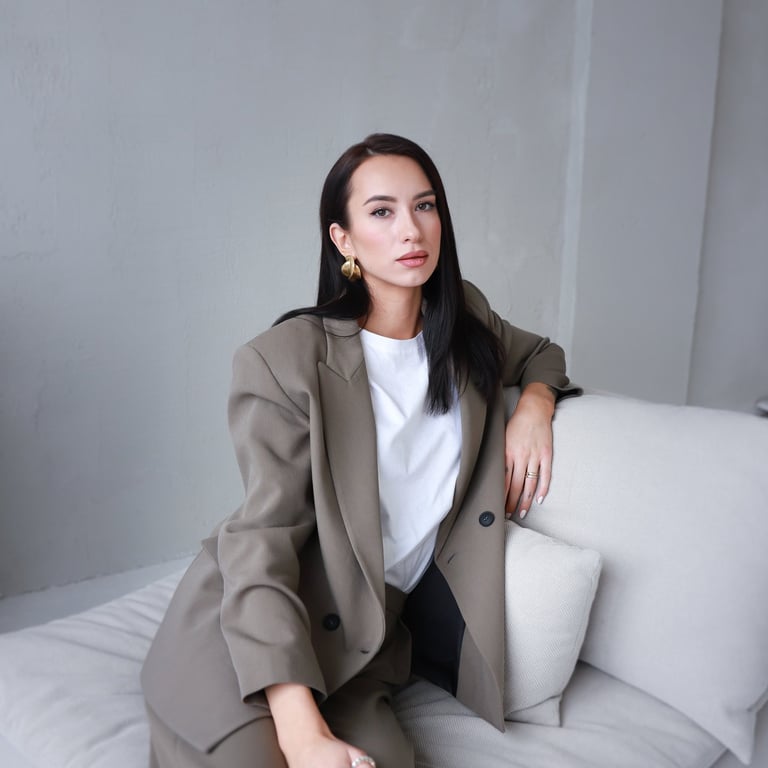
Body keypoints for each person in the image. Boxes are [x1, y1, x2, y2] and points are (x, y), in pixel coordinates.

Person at [141, 133, 579, 768]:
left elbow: (542, 354)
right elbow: (262, 542)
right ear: (343, 239)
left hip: (363, 647)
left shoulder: (465, 323)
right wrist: (300, 733)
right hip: (257, 628)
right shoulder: (285, 360)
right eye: (381, 211)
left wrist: (535, 405)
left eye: (424, 206)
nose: (411, 230)